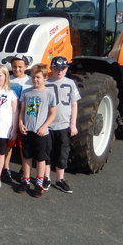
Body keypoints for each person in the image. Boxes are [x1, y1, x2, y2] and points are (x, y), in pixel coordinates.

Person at [17, 64, 57, 198]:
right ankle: (26, 180)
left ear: (45, 78)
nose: (35, 80)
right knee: (27, 156)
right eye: (33, 77)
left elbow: (52, 114)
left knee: (40, 158)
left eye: (38, 77)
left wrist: (44, 127)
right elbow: (22, 111)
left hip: (41, 132)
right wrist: (21, 123)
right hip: (27, 131)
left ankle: (39, 183)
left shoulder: (49, 93)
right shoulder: (26, 92)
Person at [45, 56, 80, 193]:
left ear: (66, 69)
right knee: (47, 152)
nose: (59, 71)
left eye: (62, 68)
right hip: (47, 125)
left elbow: (74, 105)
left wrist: (73, 124)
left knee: (62, 153)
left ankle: (60, 179)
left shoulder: (70, 83)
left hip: (64, 125)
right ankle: (46, 177)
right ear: (51, 68)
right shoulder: (46, 83)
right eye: (56, 68)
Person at [3, 54, 32, 182]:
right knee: (8, 144)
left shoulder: (31, 81)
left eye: (20, 66)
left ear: (26, 66)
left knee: (23, 145)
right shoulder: (7, 79)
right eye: (14, 66)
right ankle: (5, 168)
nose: (17, 69)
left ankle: (24, 170)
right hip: (9, 117)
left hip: (25, 118)